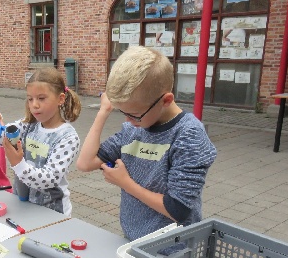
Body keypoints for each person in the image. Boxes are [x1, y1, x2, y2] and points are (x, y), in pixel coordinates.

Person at [76, 46, 217, 240]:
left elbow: (178, 209)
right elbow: (85, 163)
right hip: (133, 239)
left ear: (166, 100)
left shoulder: (189, 135)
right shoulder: (133, 129)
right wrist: (103, 113)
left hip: (173, 247)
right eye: (123, 112)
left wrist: (126, 183)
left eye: (134, 114)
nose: (127, 120)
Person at [0, 68, 81, 217]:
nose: (35, 105)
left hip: (53, 212)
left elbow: (50, 178)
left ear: (60, 99)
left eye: (41, 98)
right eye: (30, 99)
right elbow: (0, 138)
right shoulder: (28, 125)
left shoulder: (68, 137)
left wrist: (18, 164)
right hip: (24, 205)